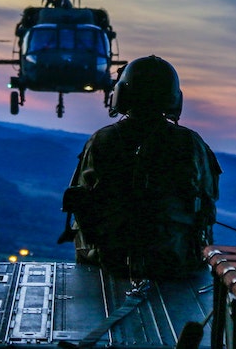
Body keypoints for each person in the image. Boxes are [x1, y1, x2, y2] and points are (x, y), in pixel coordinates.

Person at [59, 55, 221, 280]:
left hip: (108, 261)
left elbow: (82, 200)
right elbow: (207, 199)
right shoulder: (191, 143)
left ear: (122, 94)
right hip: (176, 260)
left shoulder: (103, 140)